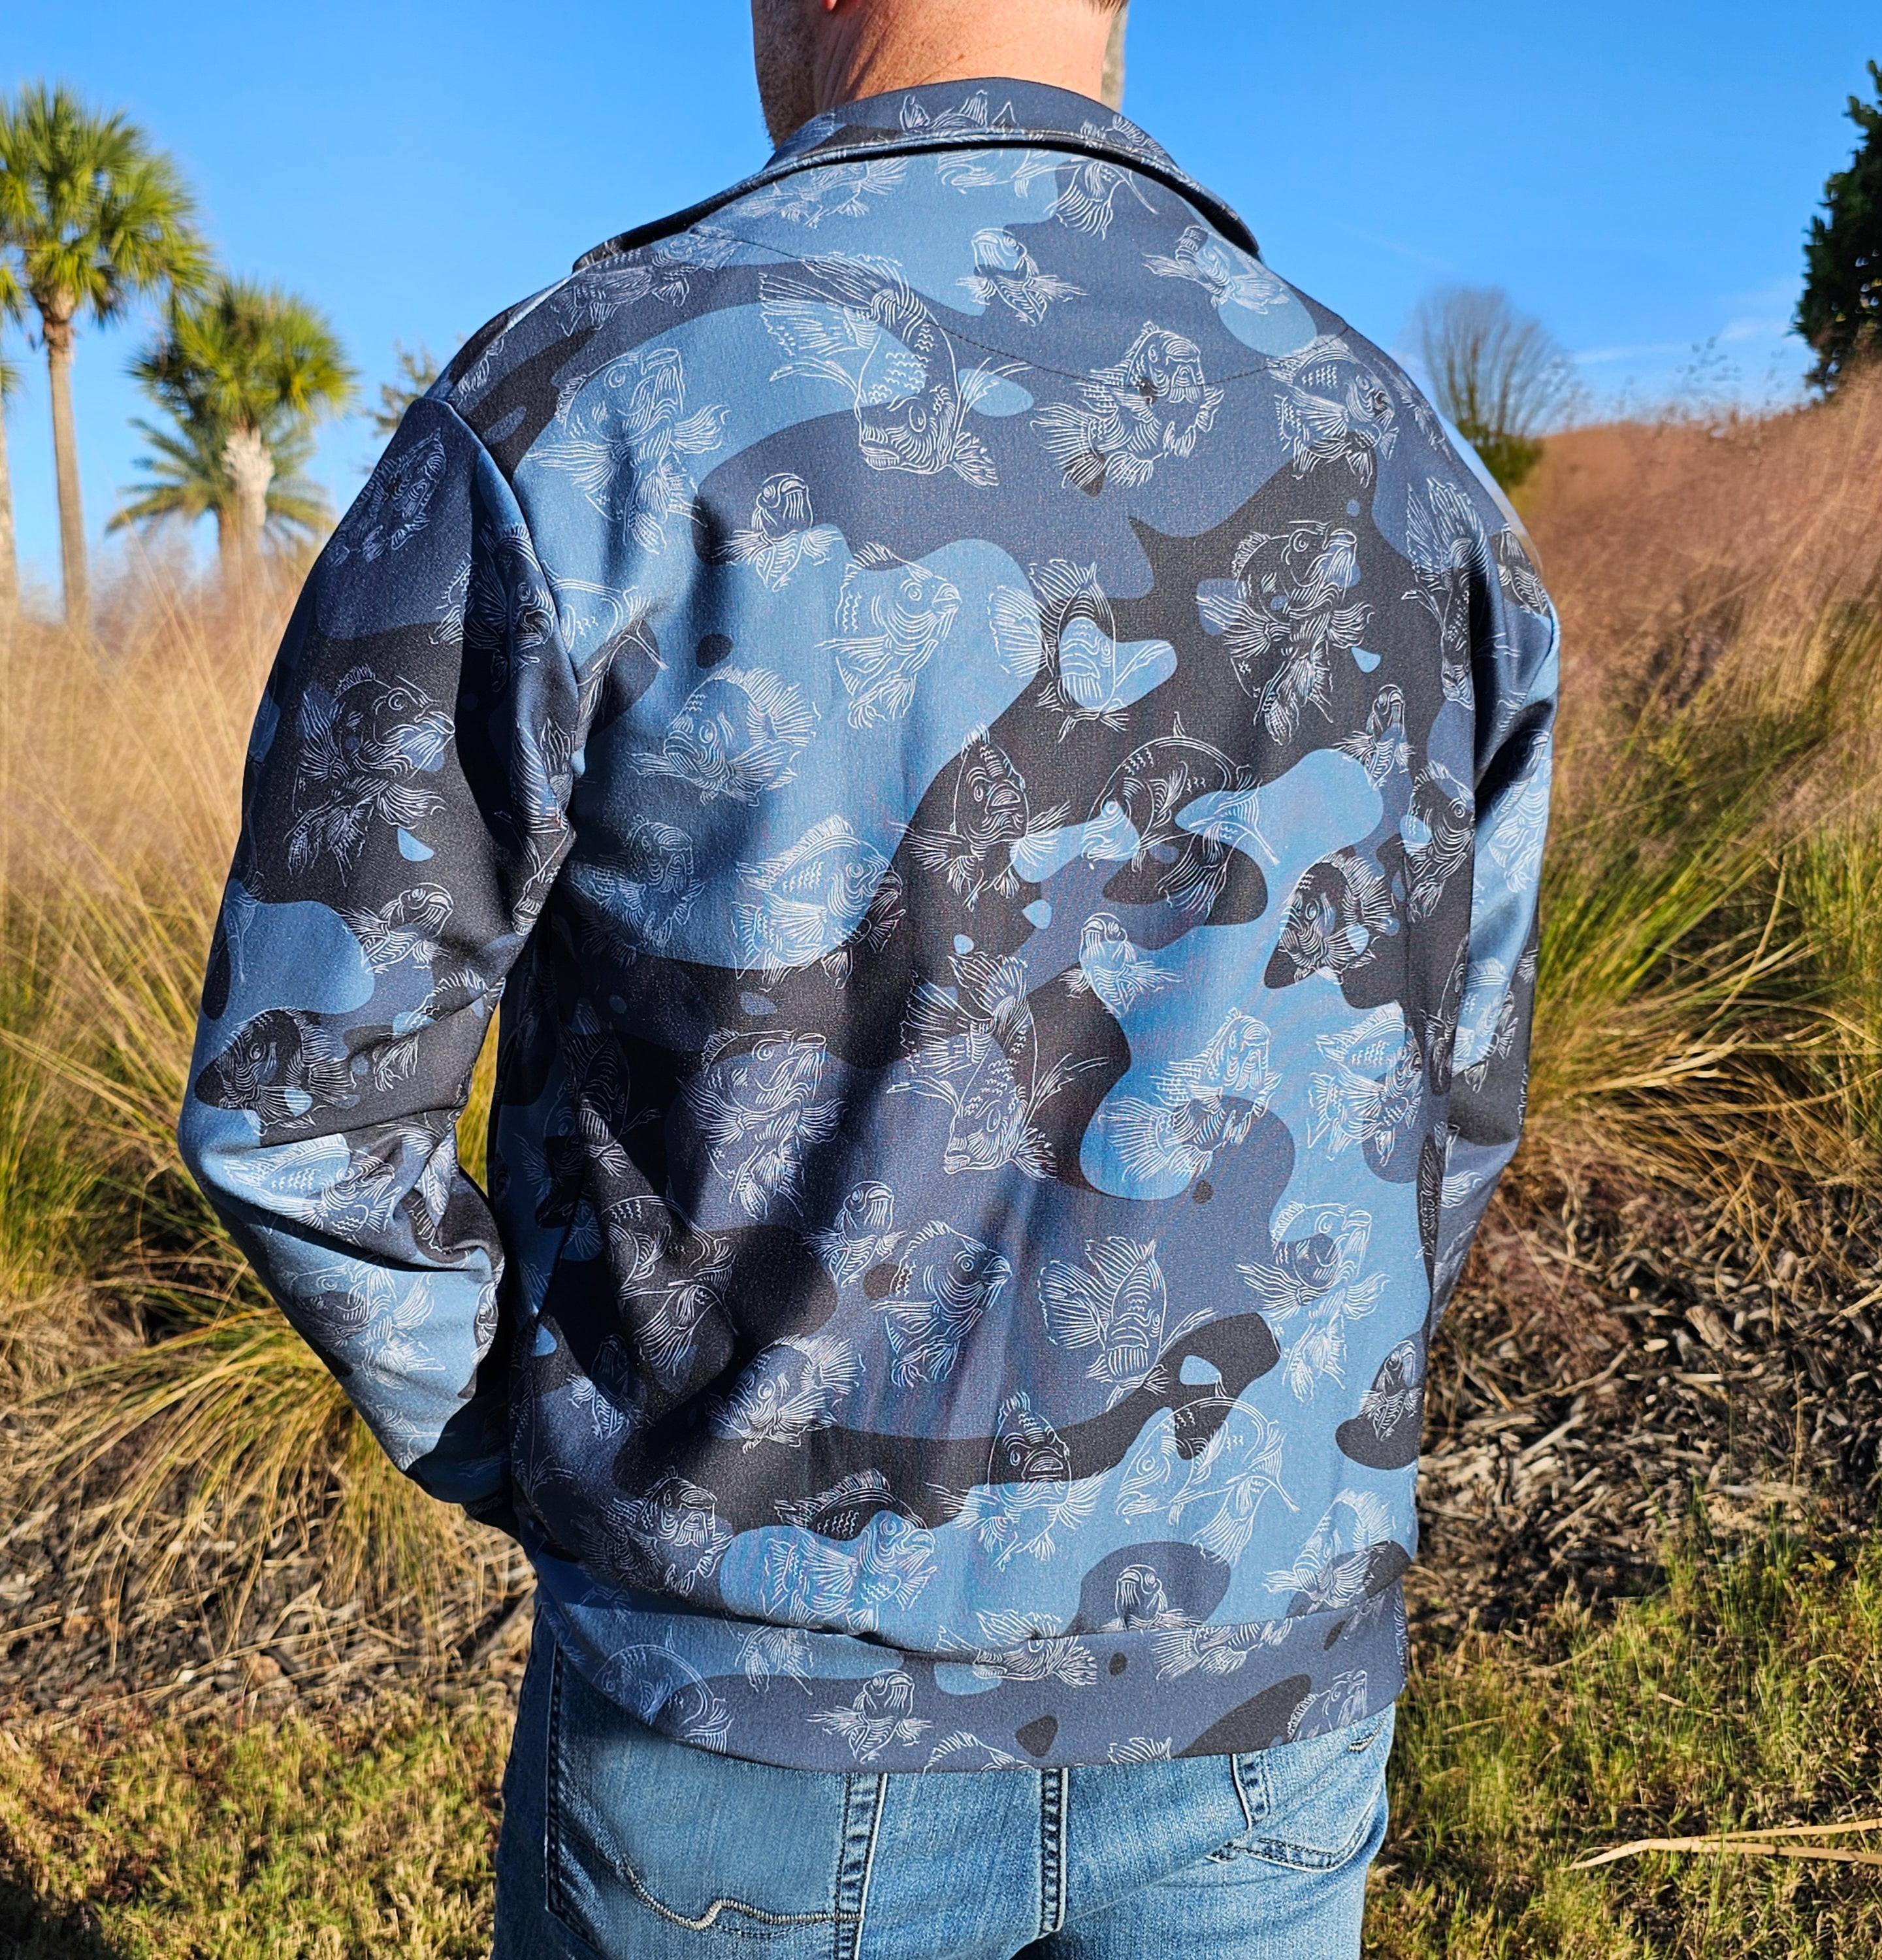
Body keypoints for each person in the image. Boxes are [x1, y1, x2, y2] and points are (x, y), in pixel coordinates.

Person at [178, 1, 1557, 1953]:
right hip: (1262, 1698)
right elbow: (1450, 1108)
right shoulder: (1410, 470)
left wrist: (574, 1463)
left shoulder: (584, 401)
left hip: (747, 1717)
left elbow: (305, 1107)